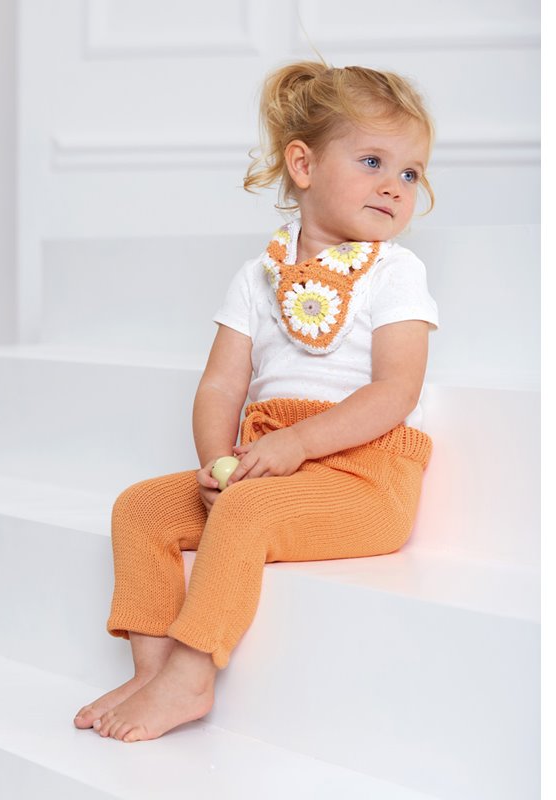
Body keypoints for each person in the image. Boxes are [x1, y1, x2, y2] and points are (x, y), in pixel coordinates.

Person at [73, 59, 439, 743]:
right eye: (373, 161)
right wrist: (218, 464)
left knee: (247, 513)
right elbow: (221, 384)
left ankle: (191, 675)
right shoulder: (257, 277)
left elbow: (397, 390)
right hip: (266, 467)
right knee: (140, 509)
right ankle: (151, 669)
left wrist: (298, 443)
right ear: (303, 164)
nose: (396, 186)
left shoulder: (396, 272)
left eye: (412, 172)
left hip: (366, 477)